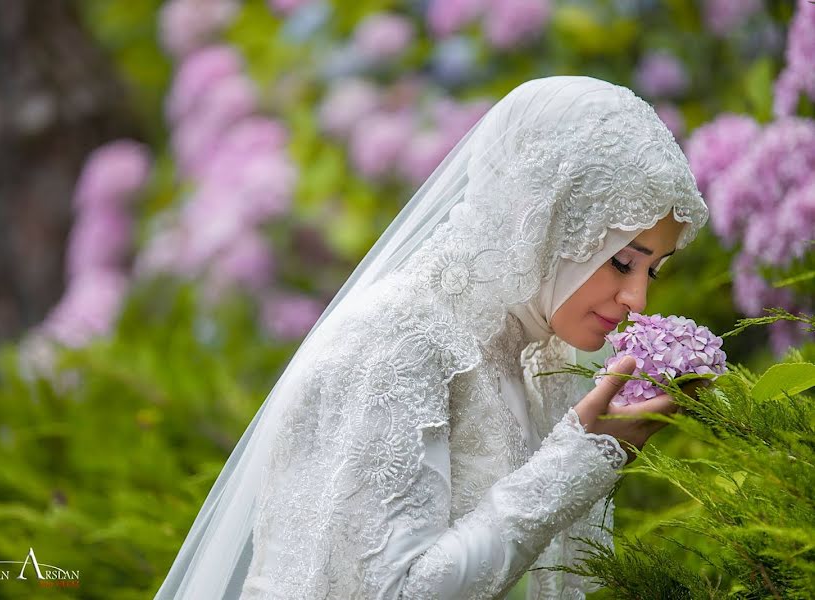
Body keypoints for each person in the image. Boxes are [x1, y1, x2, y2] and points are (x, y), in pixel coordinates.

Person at [153, 75, 709, 600]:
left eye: (652, 270)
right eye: (621, 261)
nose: (638, 300)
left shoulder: (535, 355)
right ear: (547, 223)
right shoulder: (398, 338)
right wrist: (582, 458)